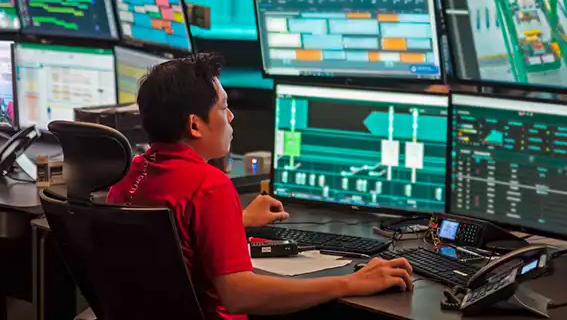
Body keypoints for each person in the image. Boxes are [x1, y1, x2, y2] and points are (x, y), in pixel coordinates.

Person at [106, 53, 413, 320]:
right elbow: (239, 295)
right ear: (195, 125)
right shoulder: (209, 185)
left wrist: (233, 221)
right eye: (223, 107)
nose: (230, 116)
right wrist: (350, 283)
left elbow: (172, 243)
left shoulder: (129, 176)